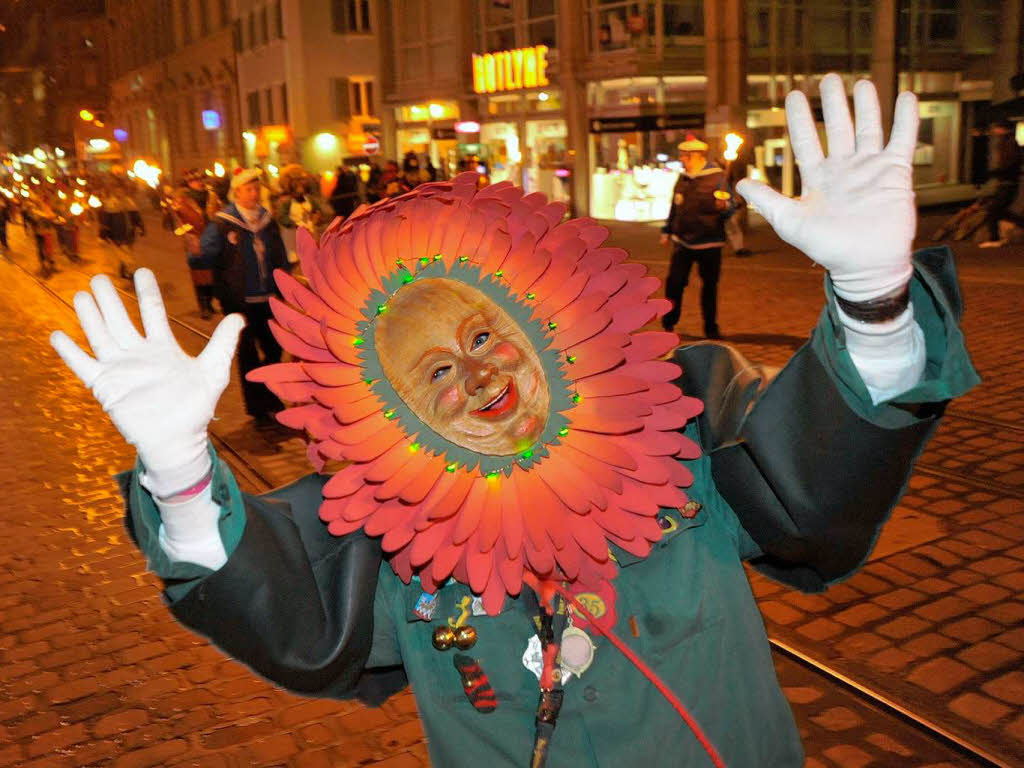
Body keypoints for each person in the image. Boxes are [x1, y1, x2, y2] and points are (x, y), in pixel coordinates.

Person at [52, 77, 979, 768]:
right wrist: (177, 469)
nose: (479, 373)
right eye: (437, 372)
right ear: (393, 410)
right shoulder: (390, 538)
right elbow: (289, 614)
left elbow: (810, 477)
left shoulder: (679, 417)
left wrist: (871, 301)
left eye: (485, 334)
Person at [201, 167, 291, 424]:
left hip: (267, 296)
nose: (254, 193)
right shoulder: (222, 222)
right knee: (248, 351)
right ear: (236, 192)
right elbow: (206, 254)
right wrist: (196, 251)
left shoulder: (267, 219)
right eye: (248, 189)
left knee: (274, 348)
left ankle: (266, 394)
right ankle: (259, 405)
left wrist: (284, 281)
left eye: (256, 188)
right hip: (238, 298)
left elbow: (279, 254)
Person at [660, 134, 733, 339]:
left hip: (710, 242)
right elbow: (675, 205)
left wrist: (724, 206)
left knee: (709, 286)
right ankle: (669, 322)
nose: (682, 159)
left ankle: (711, 327)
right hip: (682, 242)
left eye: (685, 156)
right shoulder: (683, 178)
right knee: (674, 283)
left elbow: (731, 208)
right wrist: (667, 230)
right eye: (682, 155)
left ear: (698, 156)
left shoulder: (718, 177)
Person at [171, 170, 218, 319]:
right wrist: (186, 233)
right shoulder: (181, 199)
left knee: (212, 273)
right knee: (199, 274)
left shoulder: (212, 196)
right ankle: (203, 306)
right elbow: (175, 220)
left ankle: (210, 302)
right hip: (194, 240)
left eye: (201, 179)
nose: (199, 182)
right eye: (195, 180)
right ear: (189, 183)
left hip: (212, 239)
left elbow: (219, 212)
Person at [978, 123, 1024, 248]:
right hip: (1007, 182)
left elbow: (1010, 164)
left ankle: (995, 239)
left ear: (1002, 129)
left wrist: (996, 172)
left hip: (1007, 183)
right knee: (1000, 211)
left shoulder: (1009, 143)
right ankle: (995, 238)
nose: (994, 131)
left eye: (996, 128)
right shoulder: (1007, 142)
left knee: (993, 211)